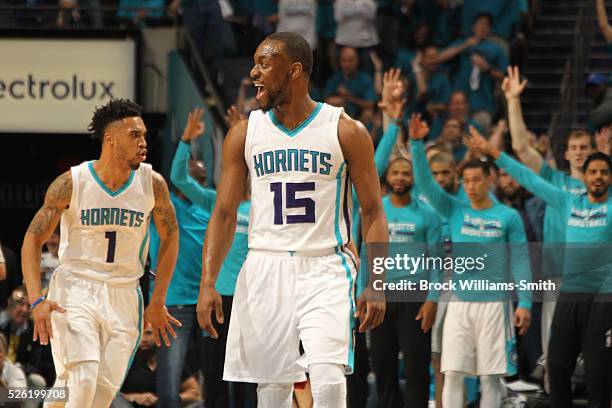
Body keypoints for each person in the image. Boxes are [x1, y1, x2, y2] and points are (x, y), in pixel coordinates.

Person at [196, 32, 387, 407]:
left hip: (326, 265)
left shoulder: (345, 128)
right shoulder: (245, 132)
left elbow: (374, 211)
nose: (253, 72)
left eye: (264, 64)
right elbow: (223, 213)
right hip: (265, 264)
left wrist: (376, 281)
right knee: (272, 390)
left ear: (295, 70)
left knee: (328, 378)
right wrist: (208, 282)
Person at [21, 99, 181, 408]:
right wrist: (36, 300)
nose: (143, 143)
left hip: (124, 294)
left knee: (98, 396)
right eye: (134, 135)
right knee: (83, 379)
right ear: (110, 139)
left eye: (144, 135)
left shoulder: (153, 185)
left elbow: (171, 237)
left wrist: (158, 299)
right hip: (76, 288)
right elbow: (32, 238)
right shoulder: (72, 183)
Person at [466, 129, 612, 408]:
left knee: (598, 372)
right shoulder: (569, 201)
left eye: (604, 172)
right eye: (593, 172)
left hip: (603, 299)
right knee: (556, 366)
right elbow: (529, 178)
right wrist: (494, 153)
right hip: (569, 296)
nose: (597, 177)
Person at [409, 114, 532, 408]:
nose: (471, 186)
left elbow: (521, 260)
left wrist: (525, 302)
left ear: (490, 181)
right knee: (452, 373)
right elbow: (426, 186)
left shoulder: (508, 216)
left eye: (477, 180)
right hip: (459, 302)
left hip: (495, 304)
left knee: (490, 378)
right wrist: (416, 143)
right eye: (467, 181)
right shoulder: (454, 209)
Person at [172, 109, 256, 407]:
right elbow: (179, 177)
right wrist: (185, 140)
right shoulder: (216, 201)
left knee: (249, 372)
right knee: (215, 368)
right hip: (220, 295)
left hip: (252, 296)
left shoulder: (264, 204)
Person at [369, 157, 441, 407]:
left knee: (416, 366)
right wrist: (364, 291)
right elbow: (367, 255)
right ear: (387, 177)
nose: (400, 178)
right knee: (381, 363)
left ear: (413, 179)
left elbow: (438, 261)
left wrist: (432, 299)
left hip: (415, 297)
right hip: (382, 295)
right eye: (396, 173)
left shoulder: (429, 215)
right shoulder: (375, 209)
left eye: (405, 174)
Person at [117, 327, 202, 408]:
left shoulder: (171, 362)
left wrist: (166, 399)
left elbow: (196, 393)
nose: (143, 339)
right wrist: (133, 397)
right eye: (139, 334)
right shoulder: (126, 362)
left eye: (148, 333)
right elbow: (110, 395)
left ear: (160, 334)